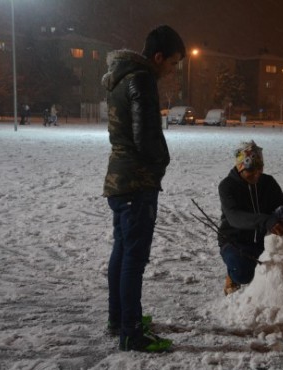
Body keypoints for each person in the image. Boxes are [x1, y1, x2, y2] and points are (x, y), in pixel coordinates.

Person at [101, 25, 186, 352]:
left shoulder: (122, 77)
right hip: (136, 183)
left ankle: (119, 319)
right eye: (173, 63)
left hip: (119, 180)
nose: (173, 70)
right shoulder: (141, 80)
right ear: (159, 57)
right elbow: (146, 138)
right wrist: (161, 162)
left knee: (122, 252)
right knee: (133, 259)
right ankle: (132, 333)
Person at [218, 140, 283, 295]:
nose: (257, 174)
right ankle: (232, 276)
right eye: (251, 170)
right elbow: (234, 217)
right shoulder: (227, 186)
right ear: (240, 167)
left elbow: (282, 207)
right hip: (235, 241)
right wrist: (266, 221)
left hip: (265, 241)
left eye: (259, 169)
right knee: (243, 273)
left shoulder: (267, 182)